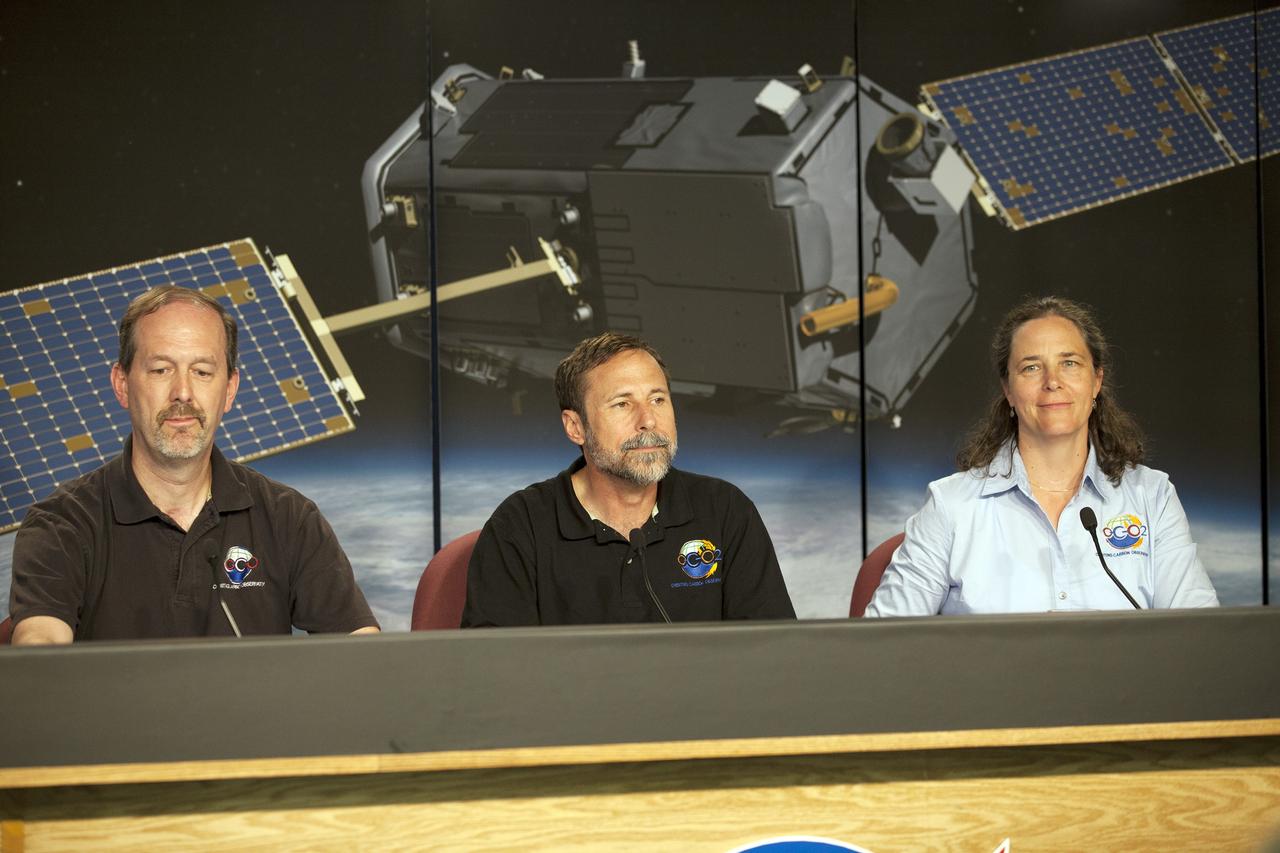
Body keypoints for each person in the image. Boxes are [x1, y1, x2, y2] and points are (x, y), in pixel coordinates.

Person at [9, 285, 380, 643]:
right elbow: (42, 649)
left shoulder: (289, 519)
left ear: (229, 390)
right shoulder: (63, 523)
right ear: (122, 384)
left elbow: (363, 655)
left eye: (202, 371)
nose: (183, 393)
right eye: (161, 370)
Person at [866, 295, 1218, 616]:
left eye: (1070, 363)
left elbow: (1199, 637)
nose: (1052, 381)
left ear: (1096, 381)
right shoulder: (952, 506)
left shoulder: (1152, 497)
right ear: (1008, 389)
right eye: (1031, 367)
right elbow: (883, 642)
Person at [461, 332, 796, 626]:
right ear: (575, 427)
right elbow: (496, 667)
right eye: (622, 404)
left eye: (658, 399)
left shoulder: (725, 511)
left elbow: (774, 653)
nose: (648, 420)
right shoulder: (520, 526)